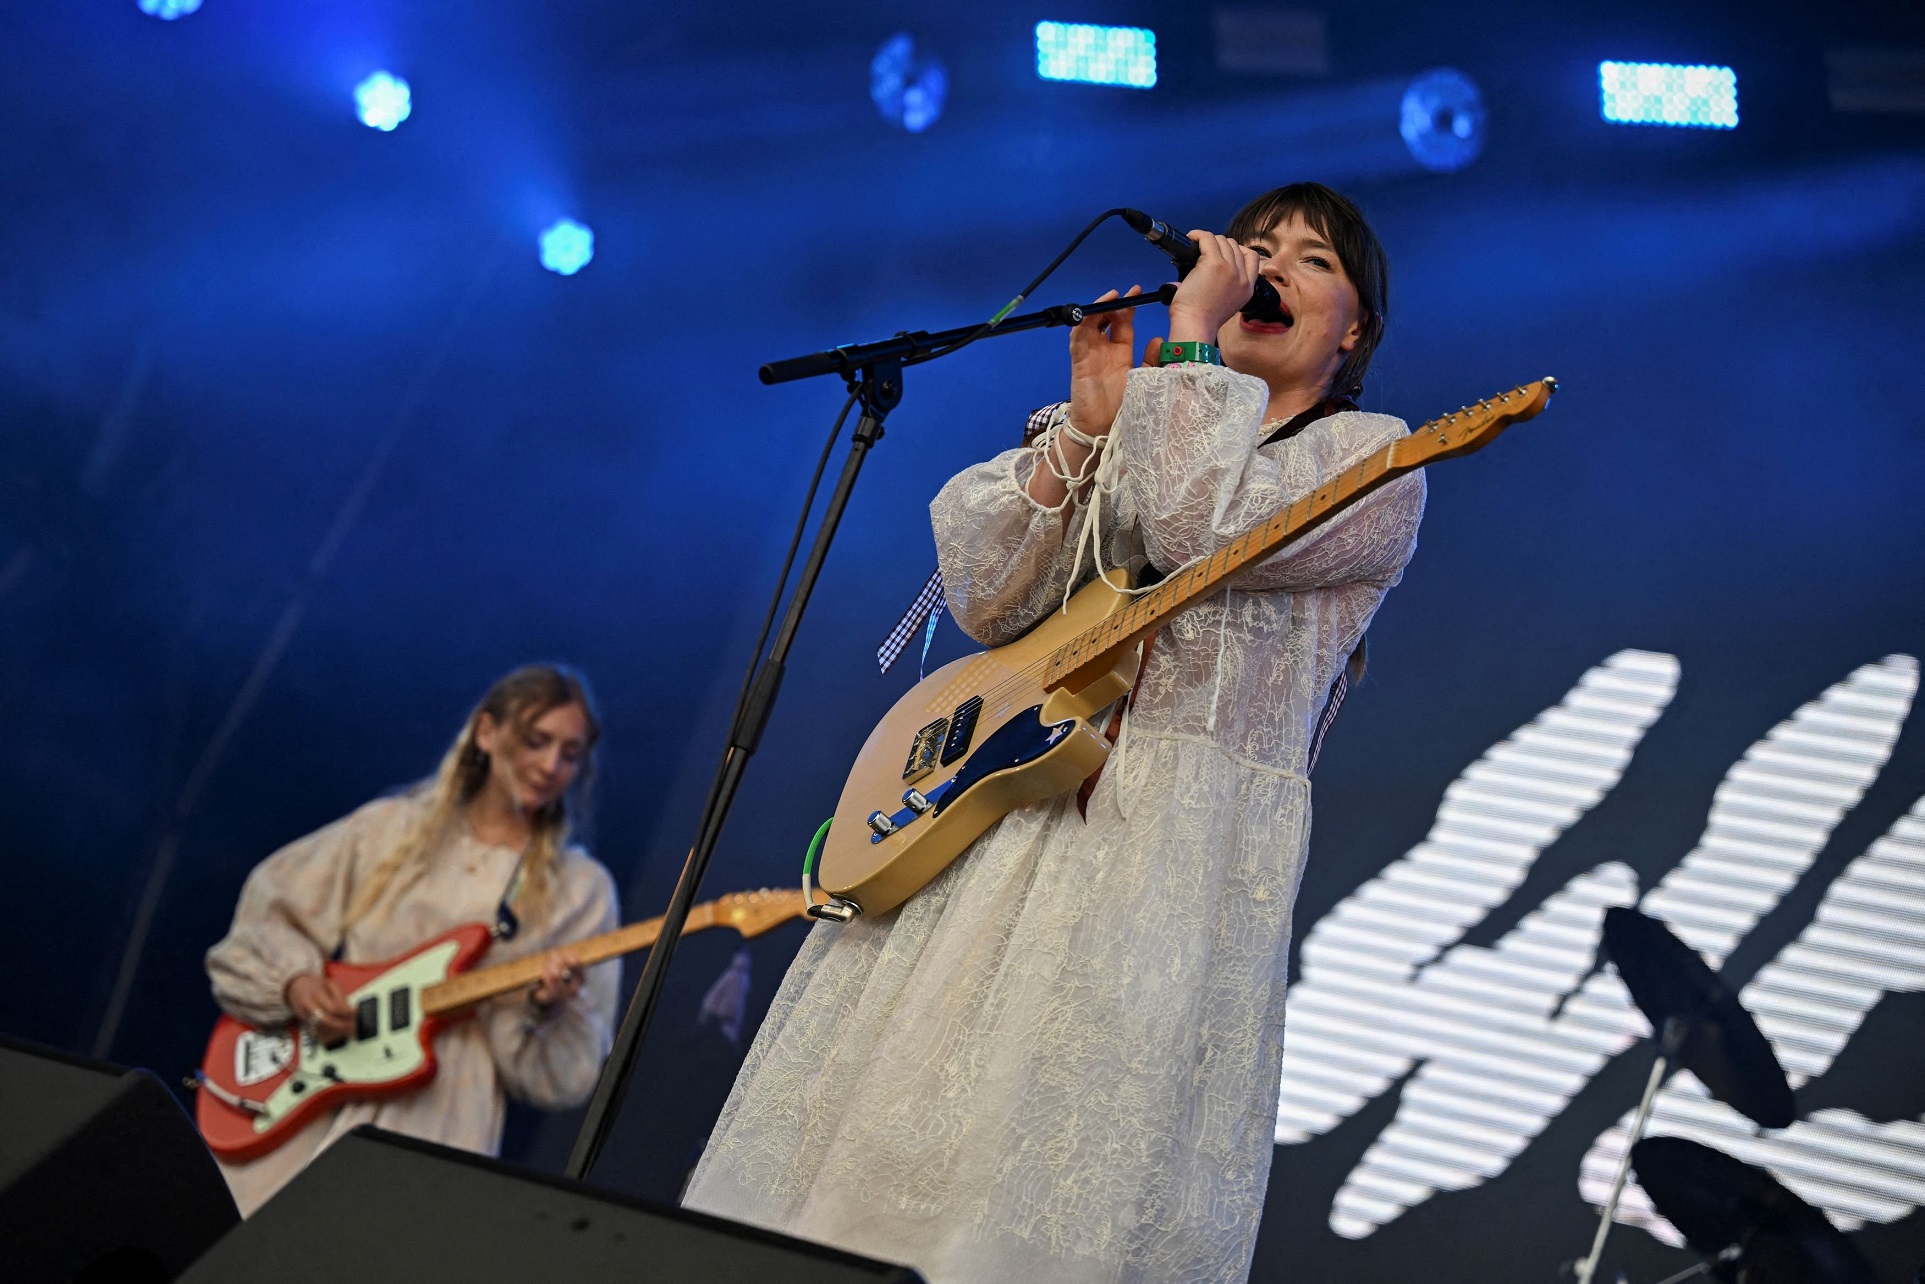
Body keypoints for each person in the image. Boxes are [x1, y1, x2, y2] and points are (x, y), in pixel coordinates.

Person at [683, 182, 1427, 1282]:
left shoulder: (1372, 460)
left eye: (1310, 260)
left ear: (1353, 326)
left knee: (1049, 1173)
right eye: (1253, 245)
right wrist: (1086, 416)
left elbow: (1193, 526)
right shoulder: (1145, 411)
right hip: (996, 824)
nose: (1266, 267)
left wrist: (1181, 356)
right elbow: (983, 591)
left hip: (1167, 852)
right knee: (876, 1145)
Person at [204, 663, 621, 1216]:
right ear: (486, 732)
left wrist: (545, 1009)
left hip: (441, 1115)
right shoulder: (390, 829)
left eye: (570, 754)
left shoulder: (580, 889)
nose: (550, 766)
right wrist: (299, 985)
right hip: (313, 1082)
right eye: (536, 741)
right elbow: (267, 910)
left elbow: (565, 1076)